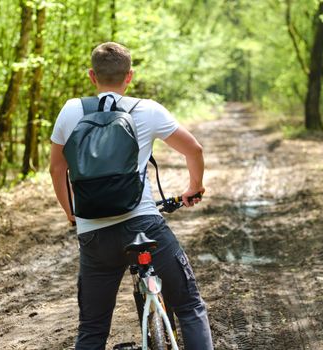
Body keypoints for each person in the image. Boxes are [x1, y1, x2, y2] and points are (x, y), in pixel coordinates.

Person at [49, 42, 213, 350]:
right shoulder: (147, 109)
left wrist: (72, 213)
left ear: (91, 75)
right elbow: (194, 150)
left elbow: (56, 169)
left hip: (94, 234)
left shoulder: (71, 110)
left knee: (93, 328)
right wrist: (194, 186)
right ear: (129, 76)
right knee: (189, 307)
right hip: (145, 227)